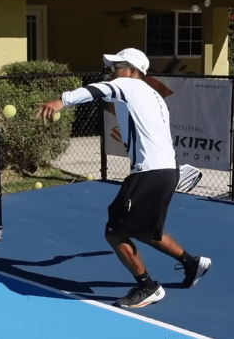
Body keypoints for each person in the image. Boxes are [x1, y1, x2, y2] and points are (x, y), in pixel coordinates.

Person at [36, 48, 211, 308]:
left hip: (150, 171)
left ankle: (148, 286)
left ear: (132, 71)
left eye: (117, 66)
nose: (112, 71)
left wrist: (62, 101)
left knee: (115, 232)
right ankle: (192, 263)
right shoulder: (154, 96)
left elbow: (97, 90)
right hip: (164, 170)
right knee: (147, 231)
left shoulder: (128, 84)